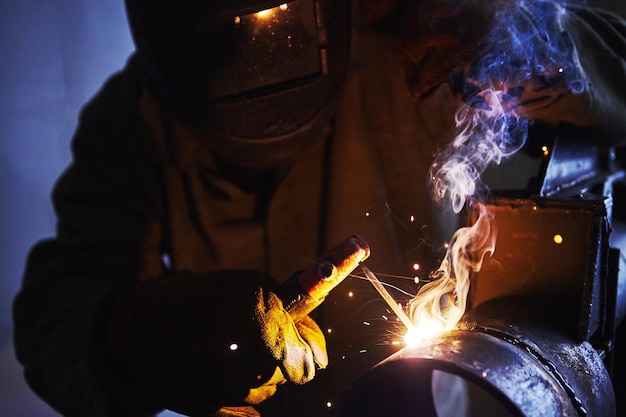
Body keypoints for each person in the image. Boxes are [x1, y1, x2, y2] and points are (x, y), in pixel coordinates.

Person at [12, 0, 626, 416]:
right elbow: (52, 315)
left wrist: (509, 32)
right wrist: (152, 334)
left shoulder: (408, 37)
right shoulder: (130, 121)